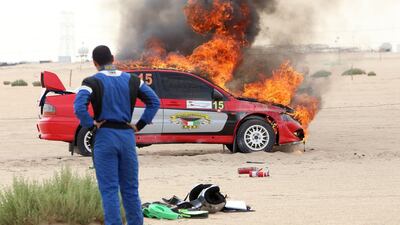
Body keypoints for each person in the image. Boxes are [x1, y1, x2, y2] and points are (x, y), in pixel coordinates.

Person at [74, 45, 160, 225]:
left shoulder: (90, 82)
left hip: (105, 138)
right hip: (127, 138)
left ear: (95, 63)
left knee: (109, 190)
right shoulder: (133, 80)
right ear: (113, 58)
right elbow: (154, 101)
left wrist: (91, 124)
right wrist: (140, 125)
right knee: (130, 190)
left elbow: (79, 106)